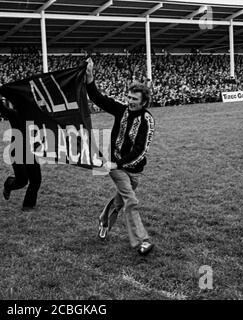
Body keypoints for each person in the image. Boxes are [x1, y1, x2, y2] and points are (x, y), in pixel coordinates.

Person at [85, 57, 156, 256]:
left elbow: (140, 151)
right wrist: (90, 79)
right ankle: (142, 241)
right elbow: (99, 99)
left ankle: (104, 220)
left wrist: (119, 162)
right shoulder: (121, 110)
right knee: (131, 200)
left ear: (144, 102)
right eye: (129, 98)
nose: (130, 102)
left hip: (134, 168)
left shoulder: (147, 120)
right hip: (115, 166)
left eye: (134, 99)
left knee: (120, 201)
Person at [0, 94, 42, 211]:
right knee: (22, 181)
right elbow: (2, 108)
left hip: (30, 151)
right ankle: (9, 184)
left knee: (35, 180)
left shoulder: (34, 115)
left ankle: (28, 205)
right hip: (17, 151)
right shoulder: (15, 114)